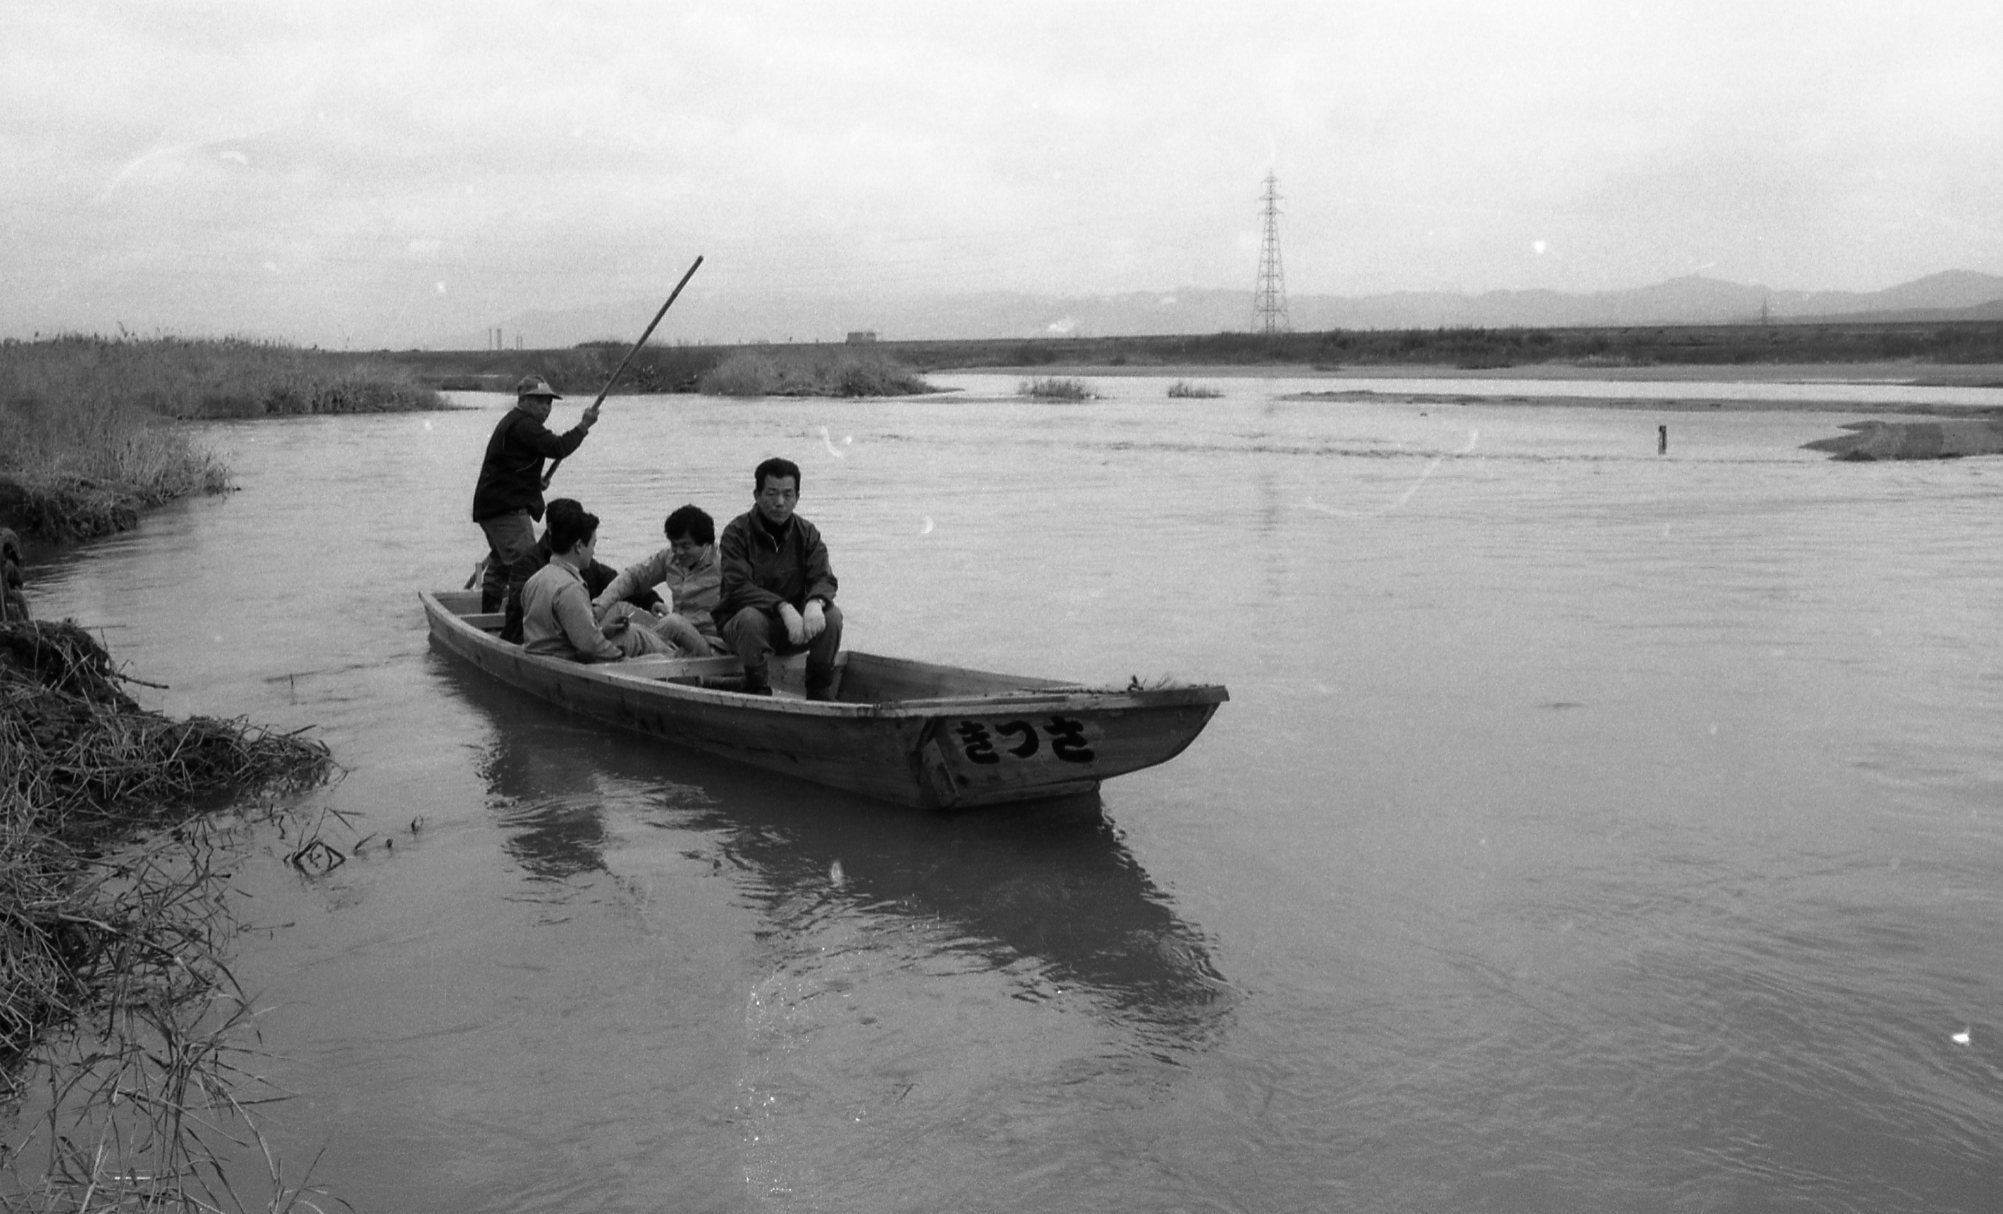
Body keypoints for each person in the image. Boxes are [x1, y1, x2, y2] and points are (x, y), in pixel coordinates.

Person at [470, 375, 600, 617]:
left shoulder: (517, 423)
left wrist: (532, 481)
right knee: (527, 568)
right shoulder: (524, 425)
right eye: (539, 401)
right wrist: (584, 426)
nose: (545, 407)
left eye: (549, 402)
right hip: (504, 511)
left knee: (499, 563)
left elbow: (511, 463)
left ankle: (488, 616)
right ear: (524, 401)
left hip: (493, 508)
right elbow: (558, 447)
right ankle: (520, 625)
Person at [716, 457, 842, 698]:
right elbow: (738, 587)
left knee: (832, 616)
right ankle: (758, 689)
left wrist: (815, 602)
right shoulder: (736, 533)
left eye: (788, 494)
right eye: (772, 494)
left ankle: (819, 691)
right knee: (750, 618)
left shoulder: (808, 533)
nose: (780, 503)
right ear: (757, 494)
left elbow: (824, 578)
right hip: (745, 628)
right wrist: (782, 607)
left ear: (797, 497)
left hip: (793, 629)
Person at [519, 503, 675, 662]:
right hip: (570, 665)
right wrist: (622, 659)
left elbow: (558, 636)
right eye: (593, 544)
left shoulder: (535, 580)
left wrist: (604, 632)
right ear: (579, 546)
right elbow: (589, 646)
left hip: (544, 658)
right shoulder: (570, 588)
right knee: (654, 654)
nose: (593, 551)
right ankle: (691, 675)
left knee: (633, 634)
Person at [590, 504, 726, 657]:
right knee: (619, 609)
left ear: (705, 543)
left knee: (669, 623)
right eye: (675, 545)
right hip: (673, 639)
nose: (679, 552)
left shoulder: (725, 563)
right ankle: (594, 643)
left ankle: (610, 652)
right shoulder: (670, 558)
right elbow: (633, 577)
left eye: (686, 546)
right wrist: (600, 607)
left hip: (708, 646)